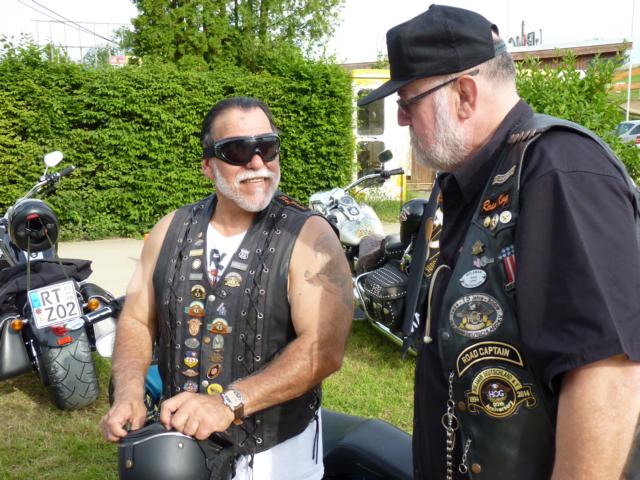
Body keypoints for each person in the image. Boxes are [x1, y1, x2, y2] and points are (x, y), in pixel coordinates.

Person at [358, 5, 640, 480]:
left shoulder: (558, 172)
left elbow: (606, 377)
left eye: (409, 101)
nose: (402, 118)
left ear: (465, 94)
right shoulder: (480, 179)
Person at [101, 96, 353, 480]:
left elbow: (324, 348)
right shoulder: (170, 230)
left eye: (267, 147)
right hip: (182, 448)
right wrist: (129, 394)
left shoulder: (307, 235)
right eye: (237, 150)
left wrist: (228, 403)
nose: (257, 162)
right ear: (208, 165)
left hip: (277, 454)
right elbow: (136, 319)